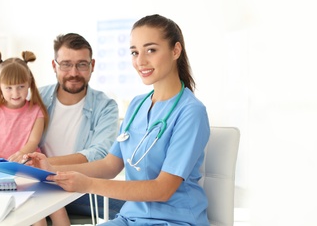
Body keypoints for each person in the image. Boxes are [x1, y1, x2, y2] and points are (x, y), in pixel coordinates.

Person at [26, 14, 211, 225]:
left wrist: (87, 185)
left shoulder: (190, 112)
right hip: (130, 218)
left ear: (175, 50)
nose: (140, 61)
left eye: (151, 50)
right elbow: (109, 165)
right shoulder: (137, 105)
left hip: (174, 221)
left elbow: (163, 189)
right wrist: (51, 167)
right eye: (134, 52)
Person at [0, 51, 69, 226]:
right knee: (38, 219)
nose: (15, 93)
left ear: (29, 84)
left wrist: (20, 155)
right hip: (3, 174)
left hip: (31, 169)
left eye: (21, 87)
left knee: (58, 209)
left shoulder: (36, 110)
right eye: (9, 87)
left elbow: (33, 142)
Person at [38, 33, 123, 222]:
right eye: (66, 64)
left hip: (80, 189)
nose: (74, 73)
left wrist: (47, 165)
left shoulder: (106, 106)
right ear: (55, 66)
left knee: (137, 208)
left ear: (92, 66)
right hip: (36, 186)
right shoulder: (36, 98)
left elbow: (100, 154)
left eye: (81, 65)